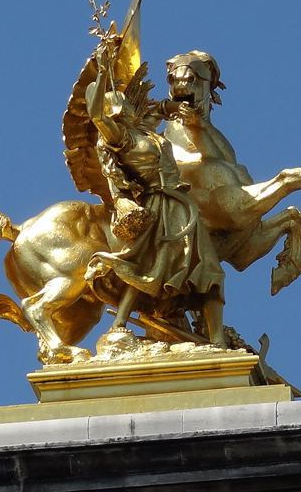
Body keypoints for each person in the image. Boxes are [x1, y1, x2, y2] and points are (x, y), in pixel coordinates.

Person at [84, 42, 226, 347]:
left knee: (209, 270)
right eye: (124, 104)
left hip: (182, 207)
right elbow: (96, 115)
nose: (133, 105)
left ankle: (217, 341)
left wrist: (177, 108)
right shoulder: (122, 139)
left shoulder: (148, 132)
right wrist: (102, 69)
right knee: (149, 266)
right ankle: (119, 325)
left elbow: (161, 108)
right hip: (158, 206)